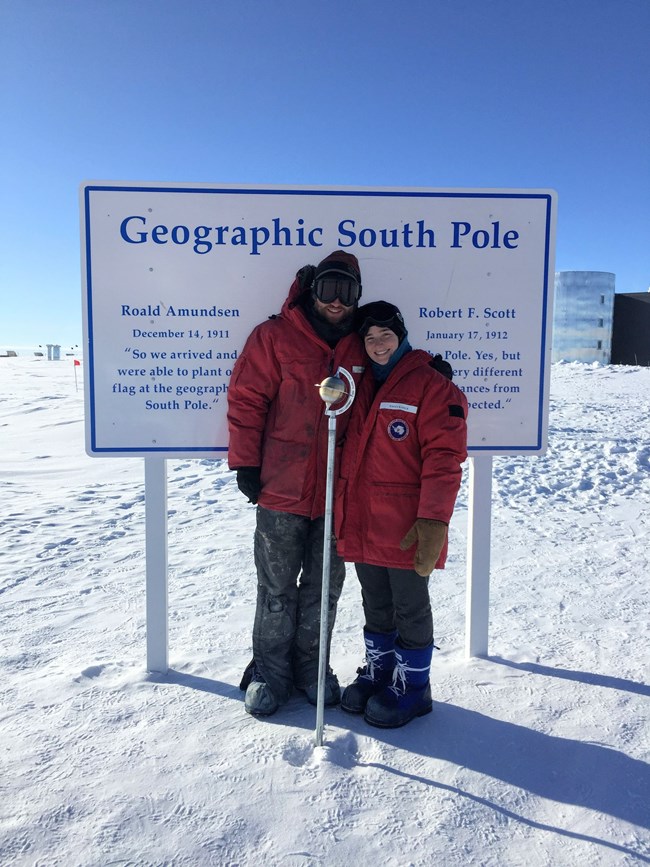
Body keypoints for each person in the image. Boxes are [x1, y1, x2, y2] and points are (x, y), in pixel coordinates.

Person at [227, 251, 367, 717]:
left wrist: (432, 374)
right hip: (281, 489)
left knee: (323, 587)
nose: (336, 301)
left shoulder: (360, 343)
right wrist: (247, 464)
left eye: (347, 291)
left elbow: (393, 383)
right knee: (277, 586)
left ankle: (313, 669)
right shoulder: (274, 337)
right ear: (312, 290)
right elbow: (247, 400)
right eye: (328, 288)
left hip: (336, 492)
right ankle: (269, 673)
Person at [335, 301, 468, 728]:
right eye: (369, 338)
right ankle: (379, 673)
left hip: (407, 526)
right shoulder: (358, 385)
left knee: (410, 608)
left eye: (385, 336)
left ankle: (414, 688)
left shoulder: (432, 387)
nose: (377, 345)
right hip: (363, 521)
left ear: (402, 336)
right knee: (375, 602)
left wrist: (434, 520)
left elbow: (445, 458)